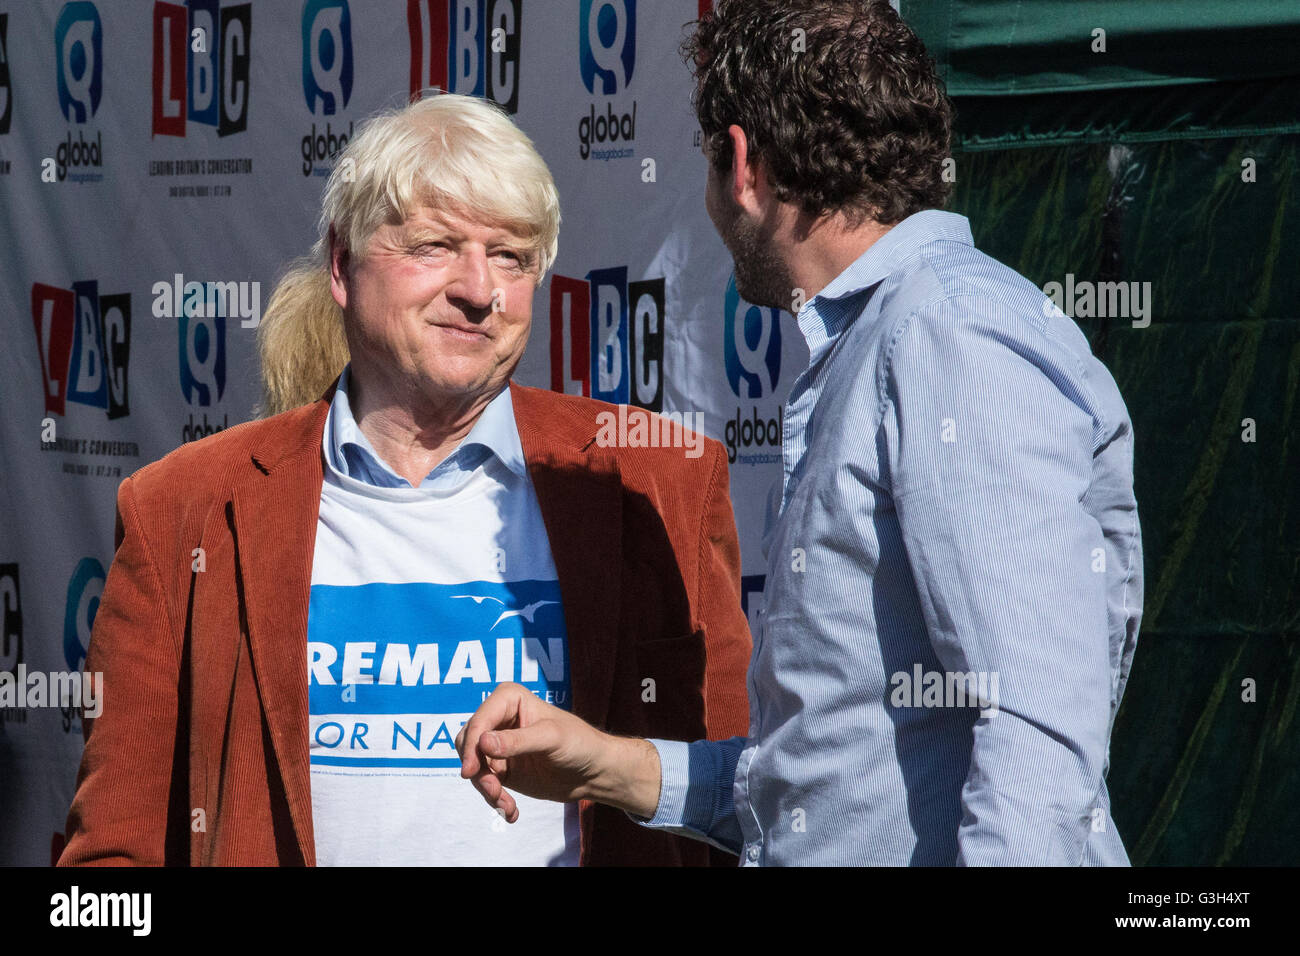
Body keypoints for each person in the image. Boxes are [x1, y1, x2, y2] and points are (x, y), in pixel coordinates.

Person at [457, 0, 1144, 866]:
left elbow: (1039, 725)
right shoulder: (887, 336)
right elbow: (822, 784)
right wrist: (605, 764)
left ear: (740, 163)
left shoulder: (946, 332)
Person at [57, 93, 751, 867]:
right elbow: (107, 872)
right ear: (342, 265)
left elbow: (753, 803)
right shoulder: (183, 510)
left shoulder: (659, 485)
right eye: (435, 246)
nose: (479, 289)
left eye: (512, 256)